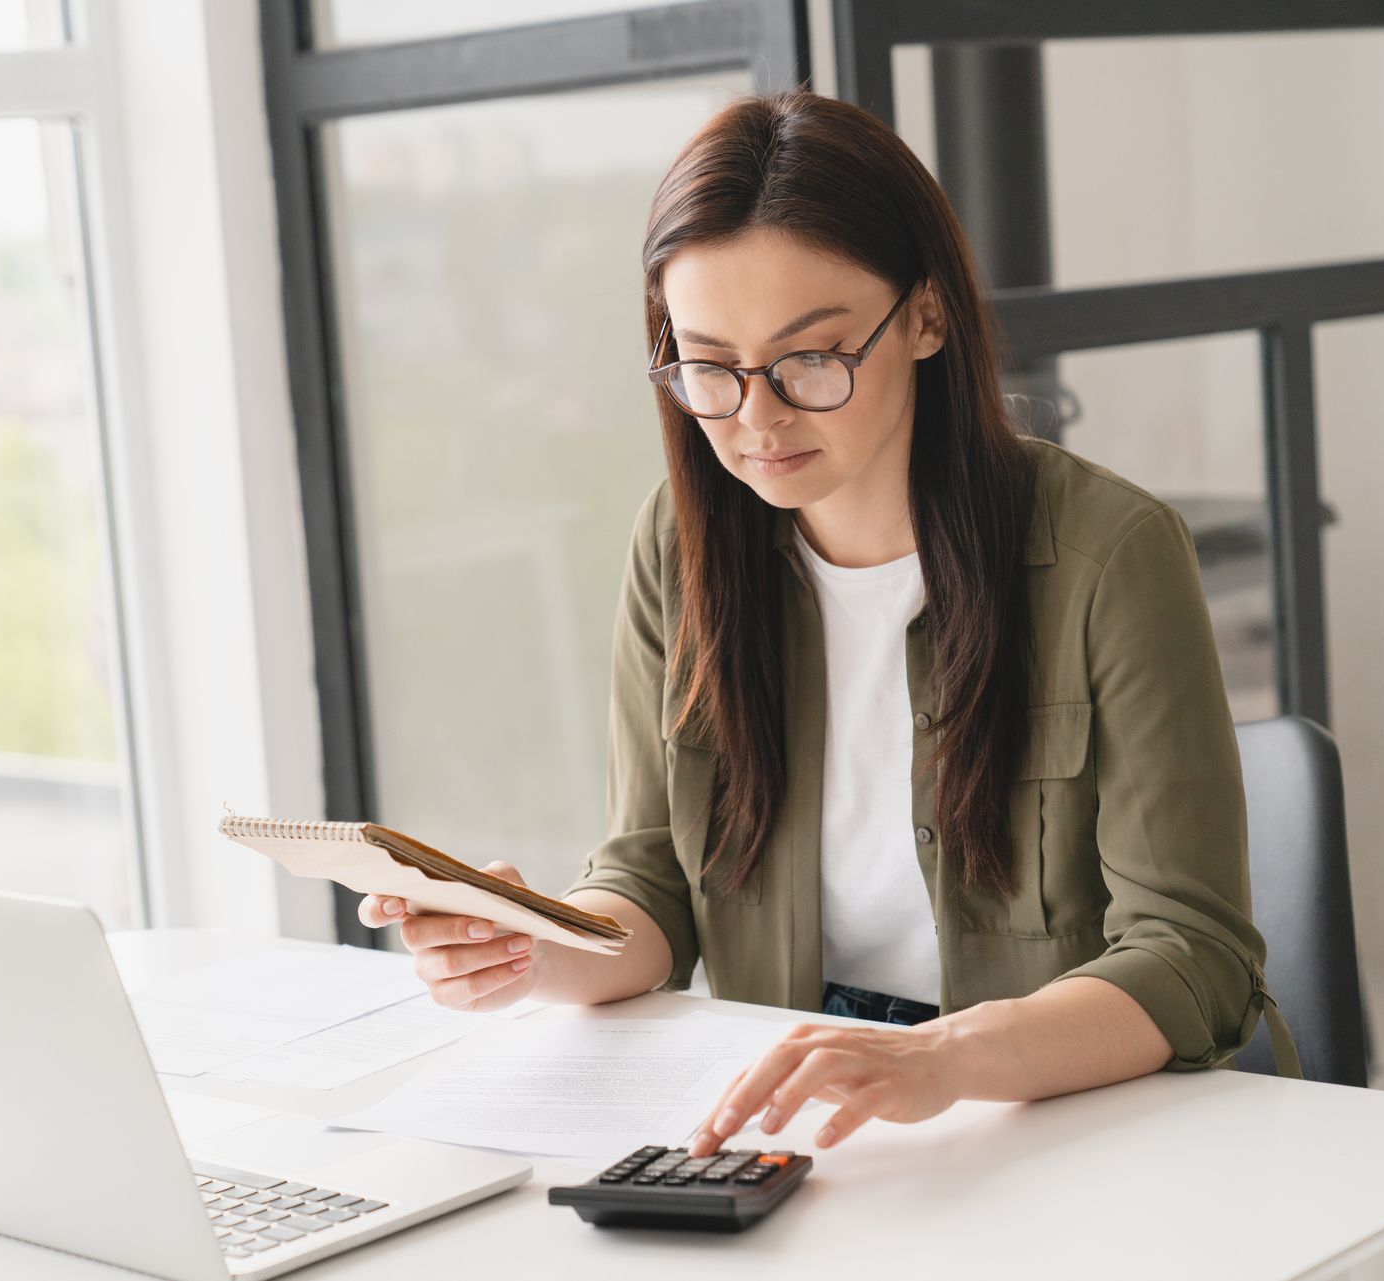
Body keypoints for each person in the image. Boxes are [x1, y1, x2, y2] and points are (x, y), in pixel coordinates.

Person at [358, 88, 1301, 1156]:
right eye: (708, 365)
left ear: (929, 316)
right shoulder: (681, 547)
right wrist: (534, 946)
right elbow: (650, 883)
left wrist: (941, 1059)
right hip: (796, 1124)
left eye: (811, 359)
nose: (757, 416)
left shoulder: (1109, 555)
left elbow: (1192, 953)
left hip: (1056, 1128)